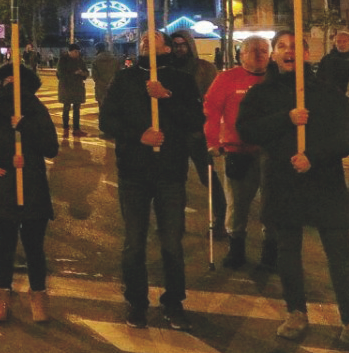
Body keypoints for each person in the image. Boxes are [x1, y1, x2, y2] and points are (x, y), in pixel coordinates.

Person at [237, 31, 349, 343]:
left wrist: (314, 156)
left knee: (340, 253)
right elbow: (246, 130)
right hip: (282, 181)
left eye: (295, 47)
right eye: (281, 46)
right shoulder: (260, 95)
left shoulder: (328, 93)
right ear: (273, 55)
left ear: (307, 55)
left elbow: (344, 135)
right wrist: (286, 118)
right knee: (288, 250)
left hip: (325, 183)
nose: (288, 52)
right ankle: (296, 311)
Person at [99, 31, 203, 331]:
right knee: (134, 243)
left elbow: (196, 120)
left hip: (170, 173)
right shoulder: (124, 79)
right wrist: (139, 135)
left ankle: (173, 302)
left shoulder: (181, 80)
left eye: (154, 37)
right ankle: (136, 302)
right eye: (143, 38)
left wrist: (166, 98)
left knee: (171, 242)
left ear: (167, 47)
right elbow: (108, 120)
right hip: (133, 173)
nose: (146, 40)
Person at [0, 64, 58, 323]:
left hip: (32, 186)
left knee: (34, 247)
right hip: (4, 188)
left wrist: (25, 127)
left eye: (17, 79)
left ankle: (38, 295)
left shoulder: (36, 110)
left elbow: (51, 148)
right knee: (5, 247)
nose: (11, 83)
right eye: (6, 79)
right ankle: (2, 296)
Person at [204, 36, 272, 270]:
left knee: (271, 203)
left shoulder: (275, 79)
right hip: (236, 150)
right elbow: (211, 111)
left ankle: (270, 250)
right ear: (241, 55)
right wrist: (213, 141)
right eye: (253, 50)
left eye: (263, 50)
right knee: (237, 204)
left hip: (269, 152)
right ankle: (237, 249)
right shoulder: (227, 79)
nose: (259, 54)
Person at [170, 29, 226, 237]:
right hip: (175, 133)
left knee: (209, 177)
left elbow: (214, 101)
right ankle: (176, 221)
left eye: (182, 44)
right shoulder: (166, 69)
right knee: (175, 180)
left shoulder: (204, 69)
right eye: (175, 45)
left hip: (199, 132)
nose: (179, 49)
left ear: (190, 45)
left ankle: (221, 218)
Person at [56, 44, 88, 138]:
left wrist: (82, 73)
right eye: (75, 52)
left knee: (77, 109)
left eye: (78, 52)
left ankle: (76, 129)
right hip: (66, 88)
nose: (77, 53)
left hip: (78, 88)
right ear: (70, 51)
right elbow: (61, 74)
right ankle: (65, 127)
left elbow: (86, 72)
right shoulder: (63, 60)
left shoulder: (80, 60)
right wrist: (75, 73)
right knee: (66, 108)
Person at [318, 30, 349, 94]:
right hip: (330, 94)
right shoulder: (327, 59)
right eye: (338, 41)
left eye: (345, 41)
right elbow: (319, 77)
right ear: (335, 43)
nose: (341, 44)